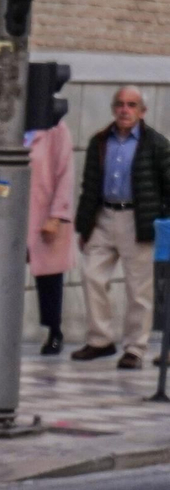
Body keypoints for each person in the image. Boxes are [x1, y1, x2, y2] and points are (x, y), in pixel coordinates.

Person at [72, 85, 170, 370]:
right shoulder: (100, 141)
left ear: (142, 111)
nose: (124, 110)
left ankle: (135, 348)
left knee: (139, 289)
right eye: (120, 104)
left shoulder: (156, 144)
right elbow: (89, 185)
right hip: (103, 216)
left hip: (137, 220)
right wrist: (84, 226)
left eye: (131, 105)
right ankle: (100, 339)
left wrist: (160, 218)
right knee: (91, 276)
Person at [26, 114, 74, 356]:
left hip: (43, 213)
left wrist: (56, 215)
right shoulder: (9, 125)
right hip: (11, 214)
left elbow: (65, 174)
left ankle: (54, 331)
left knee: (49, 278)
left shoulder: (56, 128)